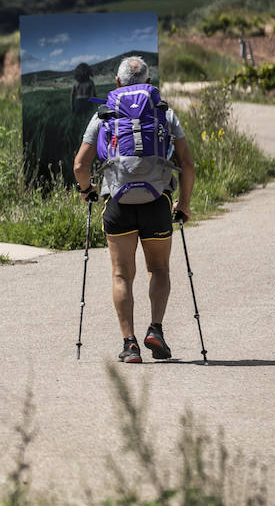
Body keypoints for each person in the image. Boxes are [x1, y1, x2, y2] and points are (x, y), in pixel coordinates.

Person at [72, 56, 194, 363]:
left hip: (118, 204)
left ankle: (130, 345)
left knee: (122, 275)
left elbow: (79, 165)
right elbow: (187, 165)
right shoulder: (164, 112)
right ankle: (156, 329)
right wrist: (185, 204)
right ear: (149, 83)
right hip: (157, 203)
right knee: (160, 269)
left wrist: (87, 191)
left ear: (117, 82)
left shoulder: (104, 113)